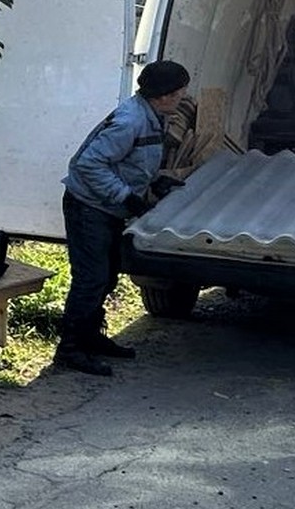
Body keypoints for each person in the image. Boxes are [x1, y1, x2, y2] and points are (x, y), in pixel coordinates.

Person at [53, 60, 191, 376]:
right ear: (166, 95)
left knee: (109, 274)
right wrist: (125, 197)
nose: (184, 96)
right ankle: (70, 349)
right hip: (89, 207)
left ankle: (90, 338)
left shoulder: (151, 114)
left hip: (106, 209)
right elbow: (88, 165)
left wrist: (155, 180)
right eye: (181, 91)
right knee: (92, 279)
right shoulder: (130, 121)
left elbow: (131, 160)